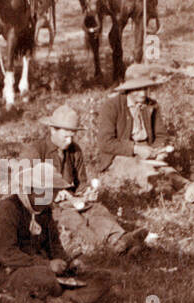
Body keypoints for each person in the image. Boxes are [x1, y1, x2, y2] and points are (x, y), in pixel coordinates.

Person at [0, 159, 112, 303]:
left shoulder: (45, 211)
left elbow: (54, 246)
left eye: (53, 191)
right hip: (11, 273)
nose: (52, 197)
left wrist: (69, 262)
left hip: (48, 271)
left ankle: (67, 301)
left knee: (104, 277)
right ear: (32, 189)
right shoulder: (7, 210)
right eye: (49, 191)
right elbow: (6, 254)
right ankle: (62, 298)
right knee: (44, 278)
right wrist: (47, 265)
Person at [27, 107, 148, 255]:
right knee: (73, 219)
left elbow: (80, 183)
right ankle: (105, 248)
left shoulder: (74, 150)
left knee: (97, 211)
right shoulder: (36, 150)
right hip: (50, 206)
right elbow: (25, 186)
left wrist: (87, 192)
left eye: (72, 136)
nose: (69, 140)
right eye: (65, 136)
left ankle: (120, 239)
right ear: (53, 130)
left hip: (74, 201)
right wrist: (51, 195)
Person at [92, 64, 194, 205]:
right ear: (128, 88)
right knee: (147, 174)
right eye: (138, 89)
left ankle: (189, 188)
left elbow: (161, 135)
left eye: (145, 88)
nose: (143, 93)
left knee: (167, 171)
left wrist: (158, 151)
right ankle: (184, 200)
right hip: (120, 156)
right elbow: (105, 143)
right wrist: (135, 149)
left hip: (147, 154)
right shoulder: (112, 106)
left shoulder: (152, 105)